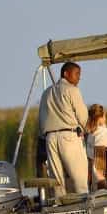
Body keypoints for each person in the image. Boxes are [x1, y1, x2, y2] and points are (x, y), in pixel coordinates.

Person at [38, 61, 89, 195]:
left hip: (50, 138)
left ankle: (59, 206)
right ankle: (84, 205)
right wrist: (85, 130)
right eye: (77, 73)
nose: (79, 77)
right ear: (66, 74)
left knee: (57, 179)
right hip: (69, 137)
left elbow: (41, 118)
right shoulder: (72, 90)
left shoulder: (46, 92)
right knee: (79, 178)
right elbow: (83, 116)